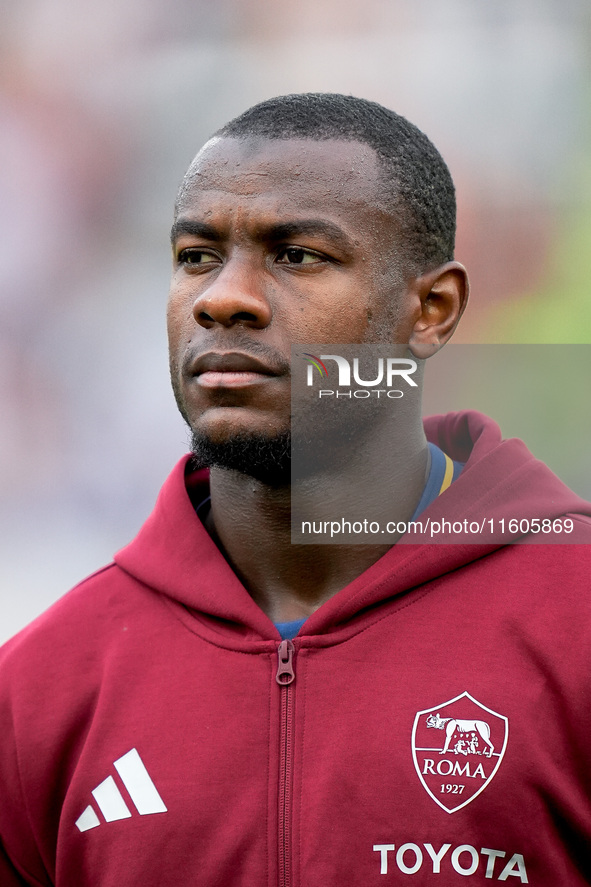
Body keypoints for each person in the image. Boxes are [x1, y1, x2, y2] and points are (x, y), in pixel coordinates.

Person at [1, 93, 590, 886]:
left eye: (297, 254)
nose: (223, 298)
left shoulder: (572, 621)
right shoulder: (41, 689)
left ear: (431, 309)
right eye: (197, 255)